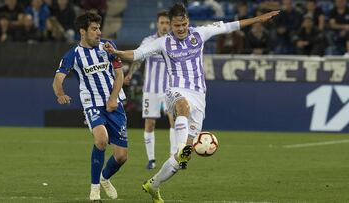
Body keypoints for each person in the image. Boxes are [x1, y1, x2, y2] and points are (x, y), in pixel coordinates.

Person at [105, 3, 279, 202]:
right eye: (177, 25)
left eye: (184, 24)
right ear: (170, 25)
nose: (181, 29)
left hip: (199, 97)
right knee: (182, 109)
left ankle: (153, 185)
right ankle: (180, 148)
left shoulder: (200, 33)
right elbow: (136, 54)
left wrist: (258, 19)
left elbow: (232, 25)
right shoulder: (163, 43)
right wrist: (116, 53)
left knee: (179, 162)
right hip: (175, 91)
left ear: (188, 22)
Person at [52, 12, 128, 202]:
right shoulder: (73, 55)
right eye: (94, 29)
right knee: (101, 140)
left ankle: (104, 178)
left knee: (121, 157)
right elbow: (58, 79)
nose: (99, 32)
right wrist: (60, 93)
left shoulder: (108, 47)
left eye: (99, 28)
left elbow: (119, 75)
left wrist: (112, 99)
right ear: (82, 32)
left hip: (114, 103)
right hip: (92, 103)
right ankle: (94, 191)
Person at [124, 10, 176, 170]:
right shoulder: (149, 40)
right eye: (162, 23)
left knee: (174, 122)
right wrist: (130, 74)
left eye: (167, 23)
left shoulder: (175, 41)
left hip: (170, 89)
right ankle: (151, 159)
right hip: (151, 89)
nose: (165, 26)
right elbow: (138, 59)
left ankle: (173, 157)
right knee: (150, 124)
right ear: (157, 24)